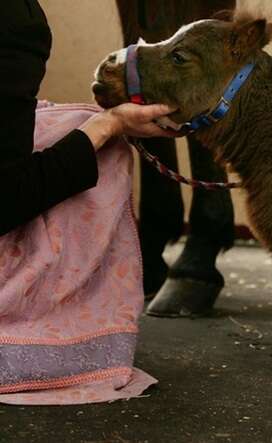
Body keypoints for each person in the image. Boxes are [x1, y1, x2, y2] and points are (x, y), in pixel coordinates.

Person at [0, 0, 174, 404]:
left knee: (62, 122)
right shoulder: (14, 20)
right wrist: (108, 124)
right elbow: (5, 198)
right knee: (104, 152)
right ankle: (45, 334)